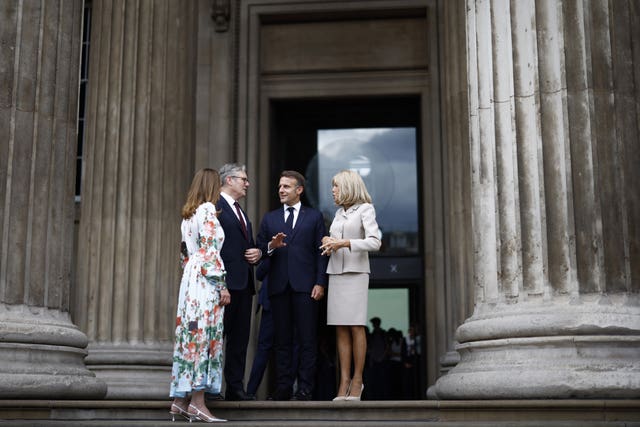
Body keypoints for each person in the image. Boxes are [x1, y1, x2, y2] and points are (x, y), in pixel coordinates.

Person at [256, 170, 328, 400]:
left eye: (286, 186)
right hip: (278, 288)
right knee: (282, 342)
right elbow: (260, 253)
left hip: (306, 287)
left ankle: (305, 389)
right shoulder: (270, 218)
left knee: (308, 340)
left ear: (299, 190)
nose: (281, 190)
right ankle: (283, 387)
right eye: (280, 186)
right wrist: (271, 246)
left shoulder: (315, 217)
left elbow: (321, 254)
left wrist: (320, 282)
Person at [169, 168, 230, 423]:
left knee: (191, 334)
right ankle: (197, 403)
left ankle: (180, 402)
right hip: (205, 282)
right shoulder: (206, 210)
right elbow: (209, 253)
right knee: (204, 335)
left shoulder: (188, 215)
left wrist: (191, 279)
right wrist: (221, 285)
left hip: (190, 282)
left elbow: (185, 254)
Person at [320, 169, 381, 401]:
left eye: (335, 186)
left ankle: (357, 380)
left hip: (356, 273)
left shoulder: (366, 209)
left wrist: (344, 243)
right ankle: (343, 380)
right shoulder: (337, 213)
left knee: (356, 325)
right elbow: (335, 238)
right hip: (336, 272)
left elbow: (375, 241)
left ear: (347, 187)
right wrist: (328, 240)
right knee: (340, 327)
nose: (332, 191)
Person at [216, 163, 261, 401]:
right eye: (243, 179)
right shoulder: (215, 207)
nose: (247, 183)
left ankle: (235, 388)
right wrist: (220, 283)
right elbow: (213, 249)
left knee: (240, 341)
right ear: (229, 180)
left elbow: (248, 245)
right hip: (223, 286)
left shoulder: (240, 211)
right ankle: (212, 389)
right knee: (216, 339)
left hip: (244, 285)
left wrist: (257, 253)